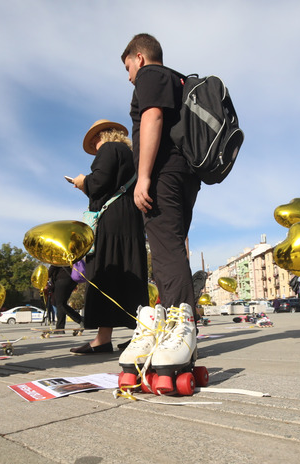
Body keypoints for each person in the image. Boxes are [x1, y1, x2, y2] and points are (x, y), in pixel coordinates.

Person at [118, 33, 201, 392]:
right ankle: (172, 331)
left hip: (163, 172)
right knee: (174, 247)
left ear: (139, 56)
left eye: (127, 67)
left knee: (165, 251)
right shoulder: (179, 81)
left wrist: (145, 176)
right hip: (186, 174)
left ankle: (181, 341)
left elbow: (151, 117)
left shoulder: (152, 74)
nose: (129, 76)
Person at [67, 119, 149, 356]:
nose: (95, 145)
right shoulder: (130, 155)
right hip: (130, 219)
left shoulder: (109, 149)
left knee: (106, 271)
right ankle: (140, 334)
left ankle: (102, 339)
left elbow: (99, 182)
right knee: (130, 272)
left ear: (104, 136)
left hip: (111, 221)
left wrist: (83, 183)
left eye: (95, 140)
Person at [49, 265, 82, 333]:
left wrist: (45, 276)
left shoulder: (59, 255)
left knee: (60, 304)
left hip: (62, 279)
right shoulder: (69, 255)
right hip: (72, 279)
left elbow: (54, 265)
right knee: (61, 304)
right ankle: (60, 328)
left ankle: (81, 320)